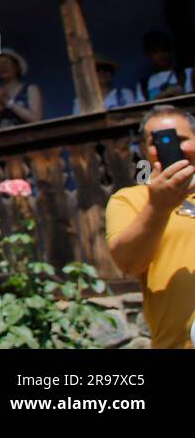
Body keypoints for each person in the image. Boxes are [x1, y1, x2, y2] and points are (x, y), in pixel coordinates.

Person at [106, 105, 195, 348]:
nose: (169, 147)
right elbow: (129, 264)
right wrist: (158, 208)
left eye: (180, 139)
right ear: (145, 150)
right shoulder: (130, 199)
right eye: (157, 141)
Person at [0, 49, 44, 129]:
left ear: (17, 66)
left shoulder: (31, 89)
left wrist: (8, 102)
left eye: (6, 62)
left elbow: (36, 120)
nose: (2, 66)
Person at [136, 32, 193, 102]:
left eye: (164, 50)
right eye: (155, 52)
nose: (160, 55)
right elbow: (141, 110)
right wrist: (163, 95)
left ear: (170, 51)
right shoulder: (143, 85)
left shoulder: (186, 73)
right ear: (148, 54)